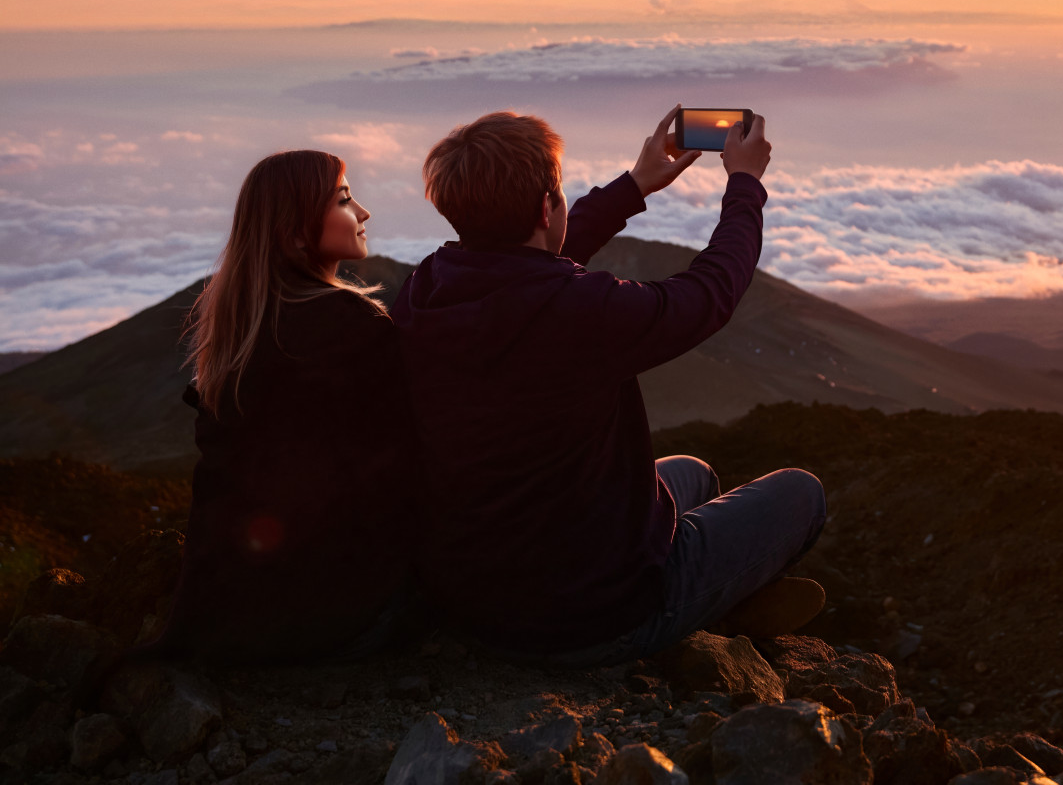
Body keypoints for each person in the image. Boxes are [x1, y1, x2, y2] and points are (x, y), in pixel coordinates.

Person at [394, 109, 826, 665]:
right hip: (591, 616)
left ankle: (713, 592)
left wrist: (635, 185)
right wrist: (744, 186)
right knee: (801, 494)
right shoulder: (582, 311)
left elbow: (525, 264)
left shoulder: (427, 288)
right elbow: (708, 294)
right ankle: (698, 610)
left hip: (475, 597)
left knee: (693, 473)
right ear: (547, 208)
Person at [160, 150, 419, 663]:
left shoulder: (240, 332)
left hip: (235, 602)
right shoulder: (353, 327)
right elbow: (396, 476)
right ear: (297, 234)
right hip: (332, 610)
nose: (363, 212)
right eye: (344, 200)